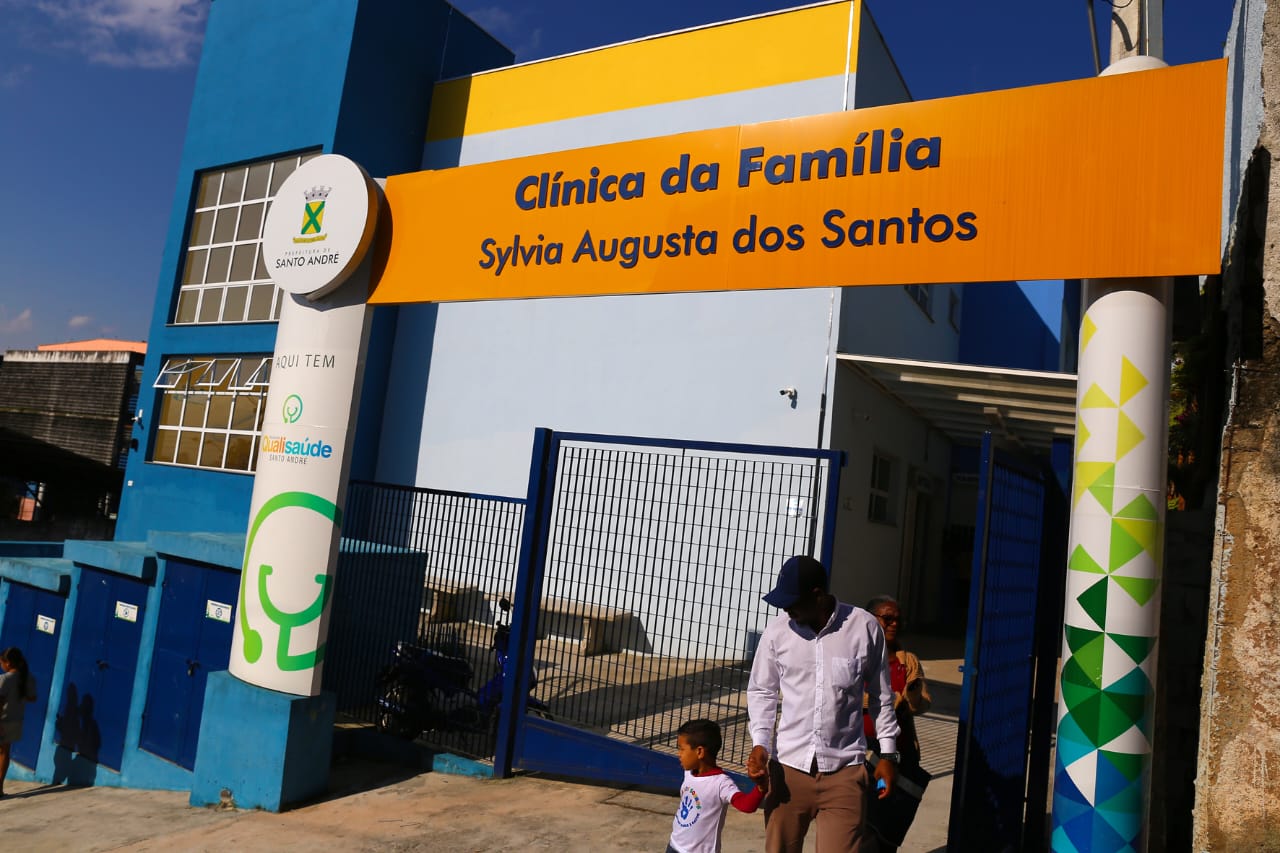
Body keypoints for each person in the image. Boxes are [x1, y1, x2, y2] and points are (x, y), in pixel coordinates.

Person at [746, 555, 900, 852]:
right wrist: (760, 744)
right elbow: (762, 691)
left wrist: (888, 755)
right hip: (788, 770)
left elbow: (881, 696)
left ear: (817, 596)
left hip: (845, 771)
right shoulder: (777, 633)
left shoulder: (863, 628)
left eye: (792, 602)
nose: (786, 610)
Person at [862, 596, 932, 852]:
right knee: (862, 818)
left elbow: (921, 703)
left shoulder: (907, 661)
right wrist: (890, 699)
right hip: (864, 754)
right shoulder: (858, 655)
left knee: (885, 814)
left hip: (895, 755)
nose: (894, 624)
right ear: (870, 620)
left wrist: (912, 695)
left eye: (898, 620)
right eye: (887, 619)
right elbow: (846, 695)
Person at [667, 718, 765, 853]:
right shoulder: (689, 772)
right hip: (674, 845)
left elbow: (746, 805)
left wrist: (761, 787)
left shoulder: (721, 783)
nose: (679, 754)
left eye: (682, 749)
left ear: (699, 752)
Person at [0, 646, 37, 797]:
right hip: (15, 721)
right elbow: (32, 698)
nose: (1, 666)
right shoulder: (28, 678)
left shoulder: (4, 679)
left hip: (2, 720)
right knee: (4, 753)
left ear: (8, 663)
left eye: (1, 663)